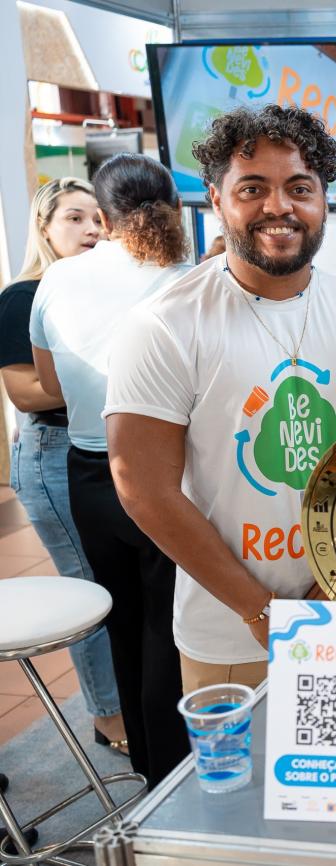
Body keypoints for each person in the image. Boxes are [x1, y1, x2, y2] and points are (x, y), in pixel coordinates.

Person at [104, 105, 336, 696]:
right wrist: (260, 611)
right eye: (253, 188)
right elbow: (145, 491)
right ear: (217, 199)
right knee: (241, 762)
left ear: (323, 200)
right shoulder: (164, 325)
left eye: (300, 188)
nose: (278, 207)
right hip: (232, 632)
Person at [29, 155, 191, 787]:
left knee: (121, 622)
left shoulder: (58, 279)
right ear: (176, 209)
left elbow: (49, 384)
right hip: (170, 473)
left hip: (89, 474)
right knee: (169, 627)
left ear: (103, 216)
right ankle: (176, 778)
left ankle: (148, 767)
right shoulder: (190, 279)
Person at [0, 178, 126, 754]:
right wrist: (103, 380)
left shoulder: (96, 291)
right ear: (44, 227)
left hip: (104, 450)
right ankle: (109, 718)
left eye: (98, 218)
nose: (91, 229)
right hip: (51, 452)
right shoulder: (24, 296)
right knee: (88, 587)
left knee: (116, 586)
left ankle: (125, 702)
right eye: (74, 218)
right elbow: (24, 392)